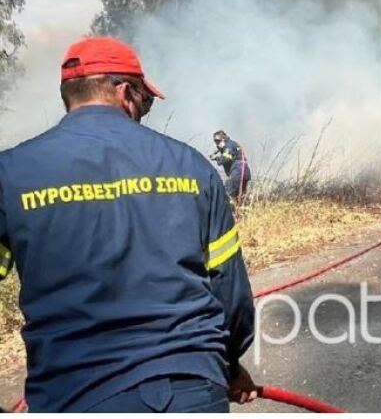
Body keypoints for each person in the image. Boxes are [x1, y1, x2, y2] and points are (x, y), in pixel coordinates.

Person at [0, 37, 258, 412]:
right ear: (124, 93)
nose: (143, 110)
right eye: (146, 101)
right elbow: (231, 295)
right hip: (192, 390)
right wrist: (230, 365)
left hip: (73, 393)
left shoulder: (11, 174)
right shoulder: (191, 167)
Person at [210, 130, 252, 203]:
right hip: (245, 173)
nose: (216, 144)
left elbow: (225, 159)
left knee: (225, 194)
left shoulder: (229, 146)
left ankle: (227, 212)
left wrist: (216, 158)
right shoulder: (233, 144)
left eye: (217, 141)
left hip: (238, 172)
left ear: (223, 139)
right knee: (239, 197)